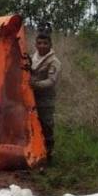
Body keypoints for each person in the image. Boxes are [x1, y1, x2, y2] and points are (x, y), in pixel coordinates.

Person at [27, 24, 61, 164]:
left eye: (45, 43)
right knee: (31, 125)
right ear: (35, 43)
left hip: (45, 100)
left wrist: (35, 85)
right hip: (30, 97)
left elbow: (51, 81)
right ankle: (34, 152)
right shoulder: (31, 57)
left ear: (50, 44)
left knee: (46, 125)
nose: (42, 46)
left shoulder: (54, 62)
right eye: (39, 43)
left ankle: (49, 155)